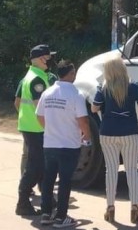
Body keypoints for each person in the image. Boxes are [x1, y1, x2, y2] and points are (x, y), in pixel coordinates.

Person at [91, 56, 138, 223]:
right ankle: (135, 207)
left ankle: (110, 207)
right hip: (130, 132)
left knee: (111, 170)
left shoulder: (103, 88)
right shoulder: (134, 86)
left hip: (108, 132)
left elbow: (94, 108)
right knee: (132, 170)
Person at [36, 60, 92, 228]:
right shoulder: (76, 94)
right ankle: (61, 217)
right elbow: (83, 120)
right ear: (71, 74)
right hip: (69, 145)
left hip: (50, 143)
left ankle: (46, 214)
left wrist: (51, 128)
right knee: (65, 181)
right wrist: (86, 137)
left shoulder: (48, 92)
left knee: (48, 180)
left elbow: (39, 116)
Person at [15, 44, 54, 216]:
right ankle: (22, 202)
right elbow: (41, 109)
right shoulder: (37, 80)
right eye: (47, 57)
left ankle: (47, 199)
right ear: (40, 59)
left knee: (43, 166)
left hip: (32, 127)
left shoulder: (33, 75)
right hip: (36, 128)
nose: (49, 61)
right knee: (35, 167)